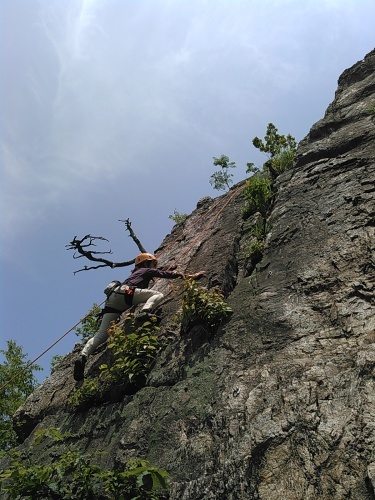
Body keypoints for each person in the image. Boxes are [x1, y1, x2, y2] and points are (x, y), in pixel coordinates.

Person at [73, 252, 205, 381]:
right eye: (152, 263)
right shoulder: (146, 271)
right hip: (127, 293)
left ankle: (83, 356)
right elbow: (164, 274)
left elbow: (158, 271)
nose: (153, 266)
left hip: (113, 300)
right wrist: (189, 276)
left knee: (101, 334)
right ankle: (145, 312)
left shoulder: (135, 273)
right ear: (147, 263)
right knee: (158, 295)